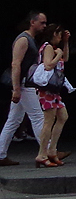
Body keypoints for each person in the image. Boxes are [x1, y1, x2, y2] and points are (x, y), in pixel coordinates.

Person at [0, 11, 50, 168]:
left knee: (13, 120)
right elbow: (16, 64)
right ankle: (48, 151)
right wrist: (16, 88)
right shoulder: (23, 39)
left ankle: (1, 154)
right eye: (42, 22)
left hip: (23, 83)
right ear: (32, 22)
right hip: (23, 84)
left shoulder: (30, 39)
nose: (44, 26)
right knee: (38, 117)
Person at [34, 26, 70, 167]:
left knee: (62, 116)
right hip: (47, 90)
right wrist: (58, 54)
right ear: (54, 34)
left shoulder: (54, 47)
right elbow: (48, 65)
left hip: (53, 90)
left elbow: (65, 58)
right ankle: (42, 154)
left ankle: (51, 150)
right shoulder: (48, 47)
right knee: (49, 121)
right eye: (59, 35)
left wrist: (65, 43)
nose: (60, 38)